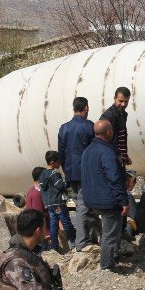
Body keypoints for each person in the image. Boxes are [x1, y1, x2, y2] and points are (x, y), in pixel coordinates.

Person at [80, 120, 129, 271]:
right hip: (108, 200)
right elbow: (114, 178)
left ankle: (109, 257)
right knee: (110, 234)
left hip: (91, 199)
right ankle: (107, 266)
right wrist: (124, 201)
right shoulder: (107, 152)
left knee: (105, 232)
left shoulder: (88, 150)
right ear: (108, 132)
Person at [58, 96, 96, 251]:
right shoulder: (89, 126)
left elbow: (61, 153)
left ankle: (90, 238)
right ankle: (82, 243)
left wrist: (66, 169)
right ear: (86, 108)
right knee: (83, 207)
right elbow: (94, 151)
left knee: (83, 205)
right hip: (85, 172)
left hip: (70, 171)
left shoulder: (64, 128)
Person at [39, 151, 75, 252]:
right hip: (58, 203)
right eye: (58, 161)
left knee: (53, 225)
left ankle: (54, 246)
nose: (59, 164)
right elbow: (60, 186)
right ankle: (73, 242)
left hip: (49, 204)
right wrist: (67, 182)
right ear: (52, 162)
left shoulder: (42, 174)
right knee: (66, 222)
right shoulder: (55, 174)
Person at [100, 86, 131, 166]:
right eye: (120, 101)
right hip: (111, 159)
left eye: (126, 102)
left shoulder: (123, 114)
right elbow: (102, 141)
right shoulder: (108, 116)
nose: (123, 104)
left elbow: (121, 137)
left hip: (120, 159)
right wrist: (115, 156)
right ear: (114, 98)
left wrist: (124, 156)